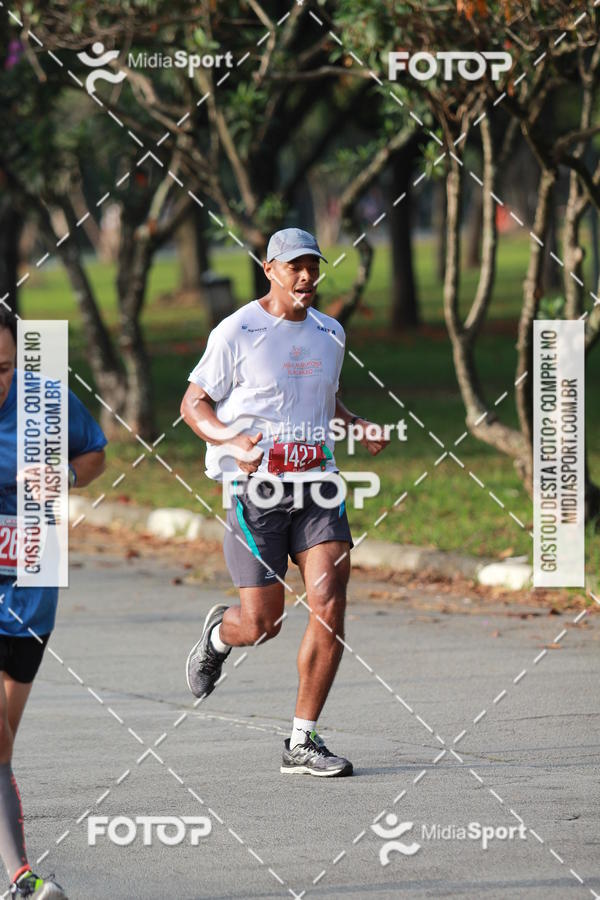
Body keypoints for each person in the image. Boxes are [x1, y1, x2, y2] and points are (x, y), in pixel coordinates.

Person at [181, 228, 388, 777]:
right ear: (269, 269)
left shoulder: (330, 332)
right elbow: (193, 402)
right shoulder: (237, 330)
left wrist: (355, 422)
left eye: (313, 267)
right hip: (257, 492)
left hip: (318, 484)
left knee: (330, 598)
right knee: (262, 622)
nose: (306, 277)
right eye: (294, 267)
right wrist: (228, 440)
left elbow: (324, 396)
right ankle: (221, 635)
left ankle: (302, 740)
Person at [0, 308, 107, 897]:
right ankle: (20, 877)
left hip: (31, 593)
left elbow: (96, 453)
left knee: (4, 745)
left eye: (5, 367)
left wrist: (63, 474)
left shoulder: (44, 400)